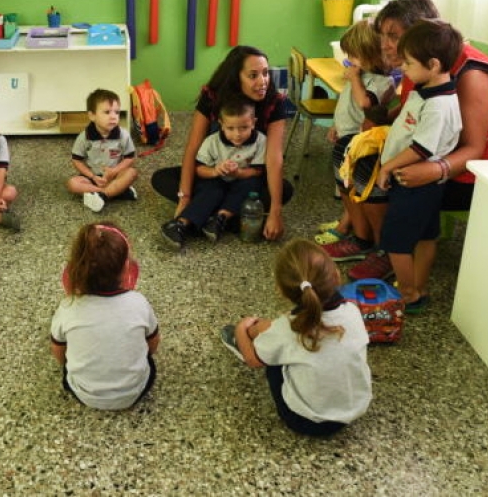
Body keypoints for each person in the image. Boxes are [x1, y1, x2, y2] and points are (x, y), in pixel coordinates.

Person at [325, 0, 488, 282]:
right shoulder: (419, 61)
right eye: (383, 35)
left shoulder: (471, 72)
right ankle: (365, 236)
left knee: (372, 168)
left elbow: (474, 149)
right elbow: (410, 111)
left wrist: (434, 170)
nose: (384, 44)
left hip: (467, 177)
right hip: (431, 152)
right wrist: (376, 119)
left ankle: (389, 249)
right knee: (350, 151)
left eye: (393, 36)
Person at [220, 239, 371, 437]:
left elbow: (253, 361)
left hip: (304, 420)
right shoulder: (353, 311)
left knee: (275, 357)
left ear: (280, 290)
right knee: (282, 339)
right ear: (336, 275)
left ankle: (246, 340)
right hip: (352, 411)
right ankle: (263, 338)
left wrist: (241, 329)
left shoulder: (287, 329)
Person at [151, 45, 292, 240]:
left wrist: (276, 213)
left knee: (283, 190)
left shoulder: (275, 102)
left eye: (266, 73)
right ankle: (226, 215)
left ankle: (208, 214)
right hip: (213, 174)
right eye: (253, 75)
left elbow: (274, 159)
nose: (263, 81)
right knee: (162, 178)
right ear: (236, 77)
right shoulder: (212, 96)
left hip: (248, 178)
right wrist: (184, 198)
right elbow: (193, 147)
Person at [374, 20, 462, 311]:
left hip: (415, 184)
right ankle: (418, 289)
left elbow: (421, 148)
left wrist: (386, 167)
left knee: (397, 243)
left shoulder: (438, 105)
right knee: (425, 236)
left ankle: (408, 292)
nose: (404, 69)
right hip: (423, 186)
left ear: (434, 64)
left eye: (409, 63)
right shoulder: (427, 90)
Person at [50, 222, 160, 410]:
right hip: (134, 392)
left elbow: (59, 353)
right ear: (126, 269)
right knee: (150, 364)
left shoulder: (68, 307)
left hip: (84, 394)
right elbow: (153, 344)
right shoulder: (139, 302)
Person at [316, 20, 395, 246]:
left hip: (359, 141)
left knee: (353, 186)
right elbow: (346, 103)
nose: (351, 60)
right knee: (344, 184)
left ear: (371, 54)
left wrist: (354, 79)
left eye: (355, 55)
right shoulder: (361, 75)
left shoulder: (382, 81)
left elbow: (363, 103)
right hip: (345, 135)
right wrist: (335, 126)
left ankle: (355, 232)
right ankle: (347, 222)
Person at [160, 97, 266, 247]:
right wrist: (215, 171)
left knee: (253, 186)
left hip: (242, 182)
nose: (237, 134)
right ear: (221, 125)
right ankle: (179, 224)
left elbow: (257, 171)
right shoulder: (212, 141)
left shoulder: (261, 141)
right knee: (210, 190)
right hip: (216, 180)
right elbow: (199, 169)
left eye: (244, 128)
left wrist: (239, 174)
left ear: (253, 123)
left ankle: (219, 218)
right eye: (231, 128)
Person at [66, 88, 138, 213]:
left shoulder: (123, 135)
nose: (113, 117)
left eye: (116, 112)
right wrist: (92, 176)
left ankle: (102, 195)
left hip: (115, 175)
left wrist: (114, 171)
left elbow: (130, 158)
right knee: (73, 183)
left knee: (132, 173)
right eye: (107, 112)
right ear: (92, 115)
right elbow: (77, 160)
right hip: (92, 177)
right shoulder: (84, 137)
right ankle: (115, 191)